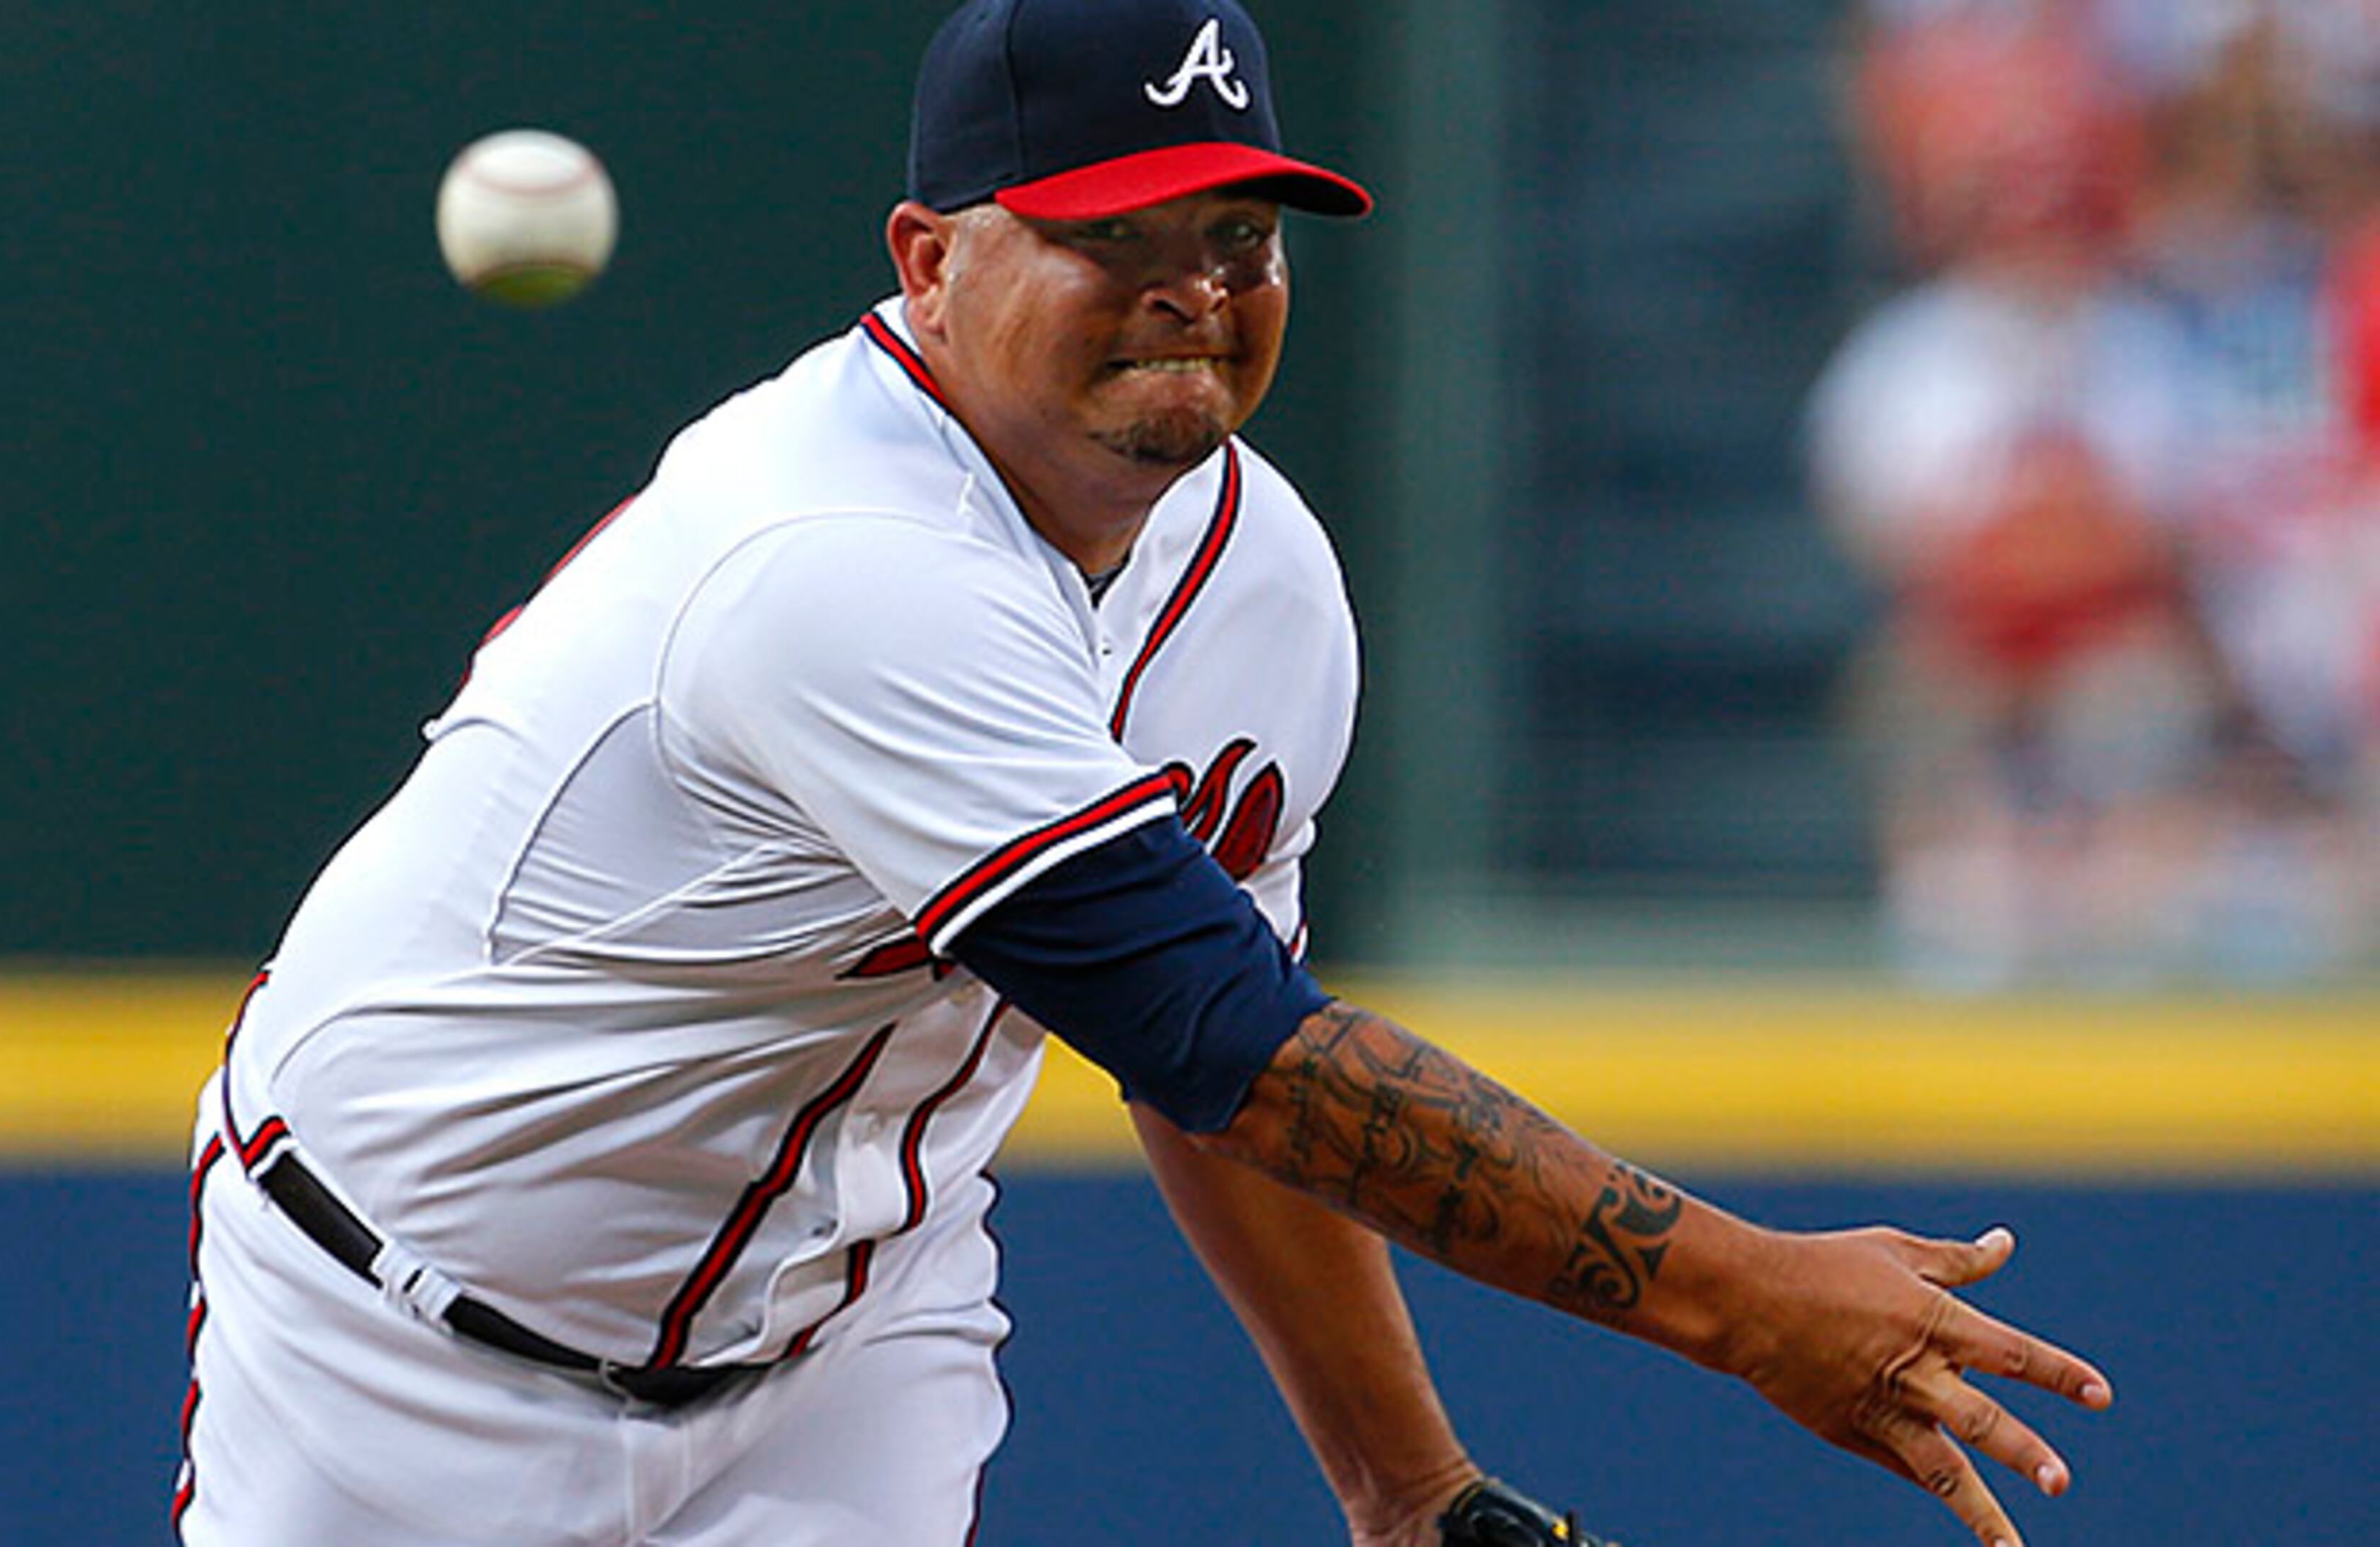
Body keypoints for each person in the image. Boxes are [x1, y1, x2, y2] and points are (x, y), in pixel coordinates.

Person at [175, 3, 2113, 1544]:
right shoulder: (829, 559)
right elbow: (1227, 1045)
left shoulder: (1255, 569)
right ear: (930, 262)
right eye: (1116, 234)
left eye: (1238, 236)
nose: (1194, 289)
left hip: (845, 1330)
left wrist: (1402, 1482)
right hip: (402, 1325)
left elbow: (1234, 1064)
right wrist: (1741, 1297)